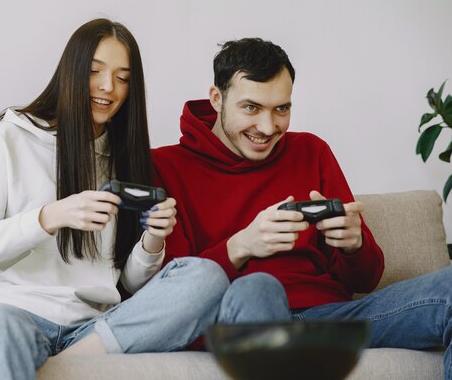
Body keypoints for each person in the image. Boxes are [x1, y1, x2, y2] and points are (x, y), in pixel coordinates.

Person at [0, 19, 229, 380]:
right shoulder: (11, 136)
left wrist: (154, 239)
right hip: (9, 314)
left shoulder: (123, 156)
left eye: (123, 78)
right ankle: (18, 360)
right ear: (72, 71)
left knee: (206, 277)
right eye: (95, 71)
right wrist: (49, 216)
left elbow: (129, 282)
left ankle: (53, 367)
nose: (109, 87)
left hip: (91, 329)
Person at [152, 37, 452, 375]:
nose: (268, 127)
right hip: (235, 315)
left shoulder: (312, 151)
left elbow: (366, 279)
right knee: (259, 285)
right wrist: (240, 246)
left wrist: (355, 245)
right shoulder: (165, 166)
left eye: (281, 109)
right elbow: (166, 292)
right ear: (217, 98)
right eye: (251, 107)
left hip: (327, 319)